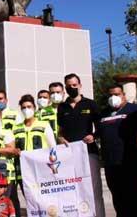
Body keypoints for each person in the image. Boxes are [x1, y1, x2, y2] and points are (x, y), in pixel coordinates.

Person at [56, 73, 105, 217]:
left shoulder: (90, 104)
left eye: (74, 85)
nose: (71, 88)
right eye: (68, 86)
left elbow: (100, 126)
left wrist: (94, 136)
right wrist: (60, 138)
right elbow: (60, 131)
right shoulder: (62, 107)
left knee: (94, 189)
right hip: (69, 155)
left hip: (89, 152)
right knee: (74, 190)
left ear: (80, 85)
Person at [97, 83, 137, 217]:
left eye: (117, 94)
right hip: (111, 164)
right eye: (111, 95)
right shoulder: (103, 113)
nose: (113, 97)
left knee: (134, 198)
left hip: (130, 162)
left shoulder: (135, 110)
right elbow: (98, 134)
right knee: (118, 198)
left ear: (123, 95)